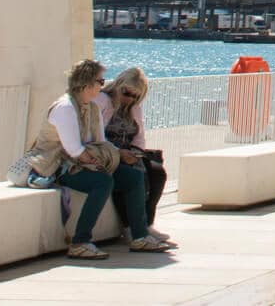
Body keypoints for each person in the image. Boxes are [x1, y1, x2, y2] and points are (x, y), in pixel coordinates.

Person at [23, 59, 162, 258]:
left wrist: (115, 156)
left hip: (81, 163)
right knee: (103, 181)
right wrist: (99, 163)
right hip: (58, 166)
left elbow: (100, 141)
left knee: (133, 177)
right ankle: (80, 241)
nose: (103, 85)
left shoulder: (92, 108)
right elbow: (74, 150)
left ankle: (140, 236)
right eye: (100, 81)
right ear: (86, 83)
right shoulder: (65, 107)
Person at [99, 67, 175, 248]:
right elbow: (97, 136)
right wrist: (118, 153)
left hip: (129, 150)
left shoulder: (133, 107)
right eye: (126, 93)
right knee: (132, 176)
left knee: (157, 172)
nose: (129, 98)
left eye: (135, 96)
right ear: (119, 85)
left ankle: (147, 223)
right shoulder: (103, 101)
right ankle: (131, 226)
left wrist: (135, 151)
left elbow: (139, 135)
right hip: (108, 152)